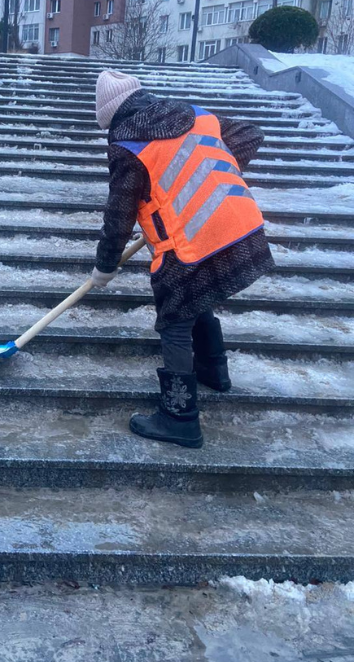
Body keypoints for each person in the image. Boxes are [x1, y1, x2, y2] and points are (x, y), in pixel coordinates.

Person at [90, 70, 275, 449]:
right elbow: (250, 133)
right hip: (239, 223)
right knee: (194, 295)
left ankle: (180, 417)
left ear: (110, 117)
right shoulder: (195, 114)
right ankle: (212, 370)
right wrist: (211, 175)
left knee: (174, 318)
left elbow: (119, 215)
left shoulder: (129, 144)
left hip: (193, 239)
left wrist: (104, 267)